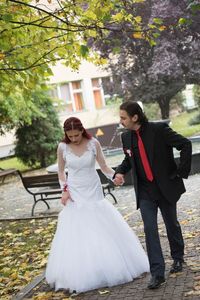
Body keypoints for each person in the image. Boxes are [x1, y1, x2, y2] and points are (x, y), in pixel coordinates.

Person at [45, 117, 149, 293]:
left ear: (82, 131)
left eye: (76, 135)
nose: (74, 139)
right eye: (70, 136)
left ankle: (109, 266)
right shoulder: (62, 147)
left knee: (101, 224)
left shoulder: (93, 143)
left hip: (93, 188)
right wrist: (64, 189)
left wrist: (115, 176)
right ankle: (84, 271)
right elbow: (61, 171)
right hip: (75, 190)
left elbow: (104, 166)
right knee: (79, 229)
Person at [113, 101, 192, 289]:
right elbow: (129, 159)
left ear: (135, 117)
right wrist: (120, 172)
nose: (121, 121)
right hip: (145, 192)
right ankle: (157, 273)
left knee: (171, 223)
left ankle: (178, 258)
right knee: (150, 229)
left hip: (165, 187)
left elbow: (185, 144)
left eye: (123, 117)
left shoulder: (159, 130)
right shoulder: (126, 138)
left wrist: (181, 171)